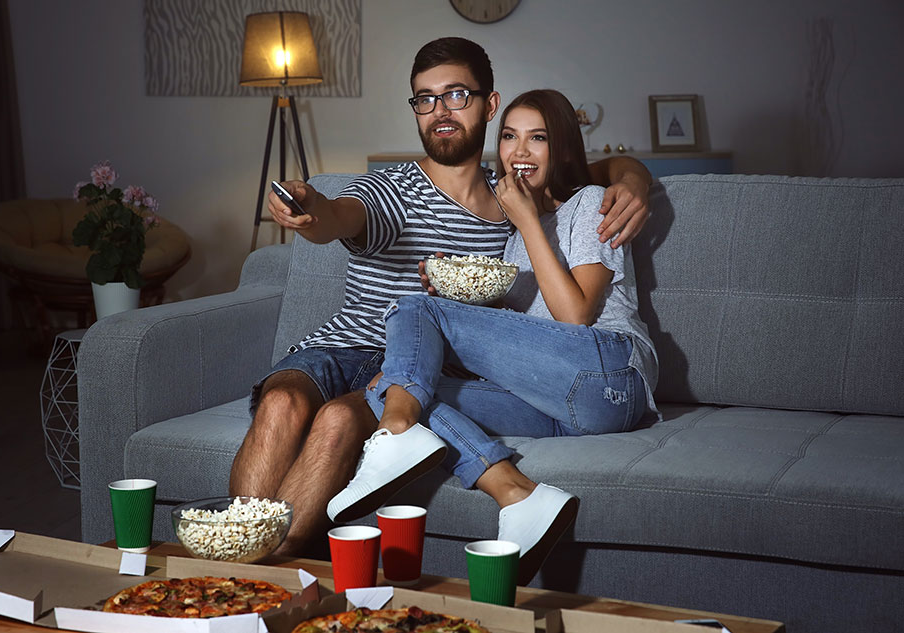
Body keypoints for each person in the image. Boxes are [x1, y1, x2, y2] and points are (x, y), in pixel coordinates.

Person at [229, 37, 653, 556]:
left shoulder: (514, 199)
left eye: (456, 95)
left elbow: (576, 174)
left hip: (417, 366)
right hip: (349, 347)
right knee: (281, 401)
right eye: (425, 99)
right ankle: (241, 567)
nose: (440, 112)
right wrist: (312, 208)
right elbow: (341, 214)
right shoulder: (391, 188)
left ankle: (268, 570)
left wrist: (633, 177)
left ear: (488, 105)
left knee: (346, 414)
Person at [326, 89, 660, 584]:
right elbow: (522, 339)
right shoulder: (508, 237)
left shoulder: (588, 204)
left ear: (563, 150)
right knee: (384, 387)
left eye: (537, 138)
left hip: (612, 375)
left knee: (414, 310)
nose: (520, 151)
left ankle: (393, 438)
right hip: (562, 406)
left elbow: (574, 317)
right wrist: (455, 293)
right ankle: (519, 495)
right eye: (509, 136)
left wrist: (527, 221)